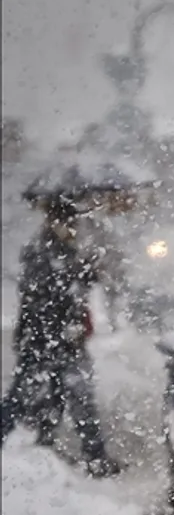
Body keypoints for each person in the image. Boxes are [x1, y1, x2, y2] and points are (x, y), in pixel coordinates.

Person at [0, 197, 122, 477]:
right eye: (69, 224)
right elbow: (45, 295)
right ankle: (93, 455)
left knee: (57, 395)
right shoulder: (42, 252)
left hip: (58, 339)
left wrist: (86, 271)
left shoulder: (60, 250)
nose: (74, 229)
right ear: (55, 222)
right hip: (47, 339)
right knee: (34, 397)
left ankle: (54, 447)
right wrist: (78, 272)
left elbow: (68, 287)